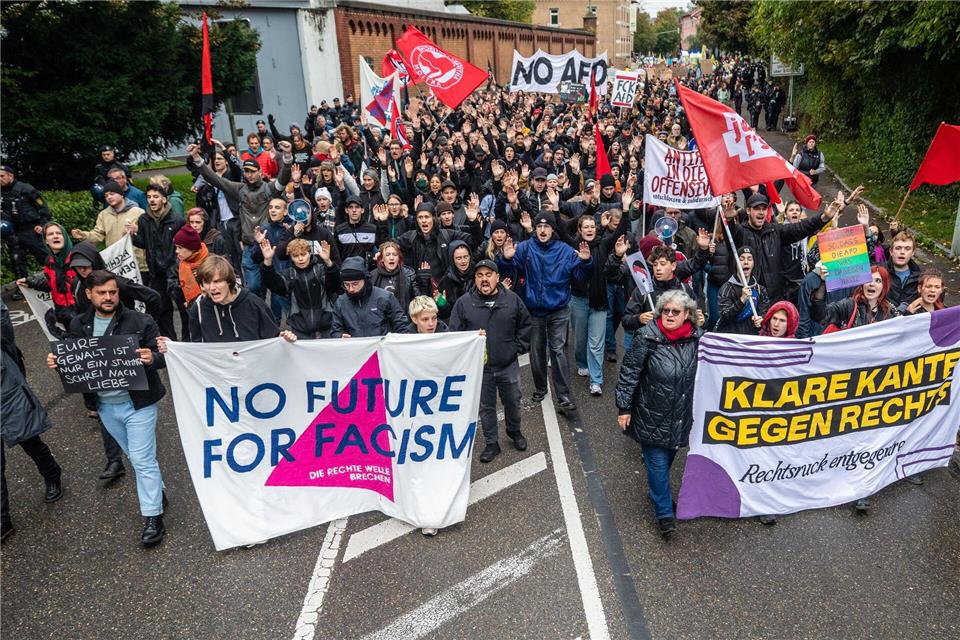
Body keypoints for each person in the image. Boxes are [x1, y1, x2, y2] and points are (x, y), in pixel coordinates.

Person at [49, 271, 168, 546]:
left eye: (112, 292)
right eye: (101, 292)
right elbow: (76, 366)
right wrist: (59, 363)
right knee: (136, 457)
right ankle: (158, 492)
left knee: (142, 460)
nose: (108, 297)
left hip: (139, 404)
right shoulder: (79, 325)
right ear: (89, 294)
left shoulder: (140, 321)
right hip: (105, 407)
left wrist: (153, 357)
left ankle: (153, 517)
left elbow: (161, 353)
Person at [811, 265, 904, 506]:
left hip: (873, 386)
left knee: (865, 439)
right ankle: (829, 479)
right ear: (861, 283)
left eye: (878, 281)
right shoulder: (848, 305)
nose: (872, 284)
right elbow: (820, 315)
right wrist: (821, 284)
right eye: (868, 280)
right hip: (845, 383)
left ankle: (861, 491)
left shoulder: (890, 313)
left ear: (885, 286)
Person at [616, 290, 703, 539]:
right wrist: (624, 408)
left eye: (676, 311)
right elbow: (629, 372)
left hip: (680, 416)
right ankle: (664, 514)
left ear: (687, 315)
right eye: (665, 311)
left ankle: (658, 492)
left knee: (666, 463)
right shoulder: (647, 337)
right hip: (650, 414)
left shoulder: (698, 339)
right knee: (656, 464)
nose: (670, 315)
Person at [499, 213, 592, 413]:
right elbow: (508, 271)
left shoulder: (565, 250)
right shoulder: (525, 247)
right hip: (534, 311)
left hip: (558, 310)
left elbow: (580, 278)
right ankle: (541, 387)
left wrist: (585, 262)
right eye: (539, 226)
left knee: (558, 351)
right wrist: (506, 259)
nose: (542, 230)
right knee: (537, 351)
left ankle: (564, 395)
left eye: (547, 227)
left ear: (553, 230)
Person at [449, 259, 532, 464]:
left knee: (513, 402)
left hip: (507, 366)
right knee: (486, 408)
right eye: (479, 275)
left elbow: (526, 326)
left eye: (488, 275)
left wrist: (516, 349)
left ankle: (514, 432)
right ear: (475, 279)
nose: (484, 279)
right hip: (480, 370)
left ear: (497, 277)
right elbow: (454, 334)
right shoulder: (464, 303)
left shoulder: (512, 300)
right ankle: (491, 443)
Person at [187, 141, 293, 298]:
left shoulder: (269, 189)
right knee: (254, 288)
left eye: (252, 171)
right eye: (246, 171)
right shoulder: (240, 189)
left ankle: (275, 321)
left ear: (260, 172)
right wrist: (196, 158)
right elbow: (216, 180)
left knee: (277, 291)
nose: (249, 175)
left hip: (269, 247)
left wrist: (288, 156)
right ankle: (259, 313)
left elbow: (283, 179)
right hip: (250, 247)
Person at [2, 300, 63, 542]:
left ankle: (52, 474)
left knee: (30, 440)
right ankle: (3, 521)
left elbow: (3, 323)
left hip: (6, 392)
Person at [724, 191, 838, 302]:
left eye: (764, 209)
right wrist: (728, 220)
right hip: (749, 298)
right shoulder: (740, 232)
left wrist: (824, 217)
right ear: (748, 210)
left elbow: (801, 227)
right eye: (756, 209)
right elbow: (729, 233)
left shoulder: (775, 230)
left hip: (774, 297)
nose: (761, 212)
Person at [753, 300, 801, 525]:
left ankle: (770, 501)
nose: (777, 324)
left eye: (783, 320)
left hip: (781, 411)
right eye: (775, 318)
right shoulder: (753, 341)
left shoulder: (797, 349)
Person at [184, 256, 287, 343]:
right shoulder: (198, 309)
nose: (212, 287)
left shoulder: (254, 304)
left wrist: (286, 339)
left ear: (229, 281)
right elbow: (196, 349)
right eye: (207, 283)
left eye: (217, 281)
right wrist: (170, 347)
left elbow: (273, 341)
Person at [128, 184, 185, 339]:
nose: (152, 200)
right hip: (155, 272)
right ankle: (171, 343)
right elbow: (142, 243)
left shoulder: (177, 220)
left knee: (183, 308)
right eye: (149, 197)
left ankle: (188, 342)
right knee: (162, 309)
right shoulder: (144, 219)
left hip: (174, 270)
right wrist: (133, 234)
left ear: (164, 200)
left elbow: (182, 245)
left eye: (156, 197)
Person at [261, 238, 340, 339]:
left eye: (303, 254)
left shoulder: (320, 270)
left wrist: (328, 262)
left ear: (310, 253)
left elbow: (335, 285)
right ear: (291, 257)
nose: (300, 259)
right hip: (300, 328)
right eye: (296, 256)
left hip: (326, 325)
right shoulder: (289, 274)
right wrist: (268, 260)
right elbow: (273, 285)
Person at [71, 179, 148, 280]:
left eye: (112, 194)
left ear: (121, 194)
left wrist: (136, 229)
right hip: (116, 264)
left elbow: (148, 234)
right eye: (106, 196)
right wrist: (84, 235)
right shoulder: (103, 215)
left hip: (137, 264)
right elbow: (98, 235)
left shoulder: (138, 212)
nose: (109, 197)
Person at [15, 222, 78, 335]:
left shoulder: (78, 258)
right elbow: (50, 284)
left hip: (83, 314)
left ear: (65, 236)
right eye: (50, 234)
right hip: (64, 315)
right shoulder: (49, 261)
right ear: (46, 241)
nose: (55, 236)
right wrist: (30, 282)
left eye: (59, 233)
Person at [331, 256, 409, 338]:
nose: (351, 289)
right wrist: (340, 336)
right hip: (354, 348)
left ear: (365, 280)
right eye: (346, 285)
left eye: (355, 284)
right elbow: (335, 330)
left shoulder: (384, 297)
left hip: (381, 348)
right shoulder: (341, 302)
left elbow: (402, 326)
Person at [1, 164, 51, 293]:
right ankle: (22, 288)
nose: (0, 179)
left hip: (31, 230)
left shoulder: (26, 189)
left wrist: (43, 224)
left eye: (2, 176)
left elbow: (43, 207)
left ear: (10, 175)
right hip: (13, 232)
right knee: (17, 261)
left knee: (44, 257)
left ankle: (56, 279)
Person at [715, 246, 769, 334]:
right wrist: (742, 300)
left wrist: (761, 319)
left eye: (750, 259)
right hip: (731, 338)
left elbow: (765, 313)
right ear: (736, 263)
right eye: (742, 259)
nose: (746, 262)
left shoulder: (760, 290)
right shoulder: (727, 288)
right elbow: (724, 315)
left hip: (751, 338)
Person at [172, 225, 209, 310]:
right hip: (187, 308)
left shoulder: (211, 263)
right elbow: (172, 285)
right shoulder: (179, 264)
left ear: (192, 248)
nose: (176, 251)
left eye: (180, 248)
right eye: (176, 247)